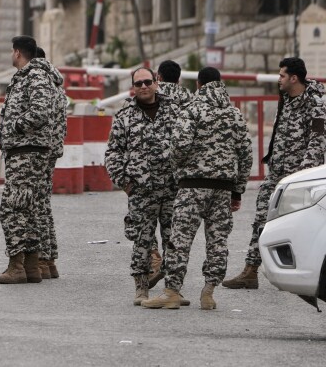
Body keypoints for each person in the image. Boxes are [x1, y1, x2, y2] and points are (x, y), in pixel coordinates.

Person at [141, 67, 252, 310]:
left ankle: (172, 291)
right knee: (217, 242)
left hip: (193, 186)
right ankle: (208, 293)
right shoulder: (234, 114)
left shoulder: (193, 109)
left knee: (180, 240)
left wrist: (179, 172)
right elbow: (245, 154)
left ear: (199, 85)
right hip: (223, 188)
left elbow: (179, 147)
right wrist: (238, 190)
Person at [223, 57, 326, 289]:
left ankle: (307, 273)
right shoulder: (286, 100)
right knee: (261, 218)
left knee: (299, 225)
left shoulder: (315, 104)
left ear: (294, 78)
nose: (278, 79)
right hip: (276, 174)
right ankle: (250, 271)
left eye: (281, 75)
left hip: (297, 178)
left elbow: (317, 143)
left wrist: (302, 175)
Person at [105, 67, 181, 304]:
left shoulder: (176, 110)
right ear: (133, 88)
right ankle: (141, 287)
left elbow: (190, 145)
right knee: (142, 240)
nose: (144, 87)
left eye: (148, 82)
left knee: (175, 240)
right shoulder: (124, 116)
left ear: (157, 83)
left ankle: (173, 289)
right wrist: (125, 182)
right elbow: (113, 153)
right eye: (138, 84)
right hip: (141, 190)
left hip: (172, 188)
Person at [0, 36, 55, 285]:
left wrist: (14, 127)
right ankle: (31, 266)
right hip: (23, 151)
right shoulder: (26, 77)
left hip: (27, 151)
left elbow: (40, 111)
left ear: (18, 53)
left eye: (12, 51)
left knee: (13, 208)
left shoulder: (34, 76)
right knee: (28, 209)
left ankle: (16, 265)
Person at [145, 59, 193, 286]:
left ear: (159, 77)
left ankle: (154, 258)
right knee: (172, 224)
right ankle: (171, 271)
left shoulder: (153, 95)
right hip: (179, 173)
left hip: (150, 171)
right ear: (179, 78)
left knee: (143, 220)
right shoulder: (190, 100)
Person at [33, 46, 66, 279]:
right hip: (51, 149)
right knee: (43, 204)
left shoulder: (38, 83)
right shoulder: (55, 84)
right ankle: (49, 258)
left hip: (38, 150)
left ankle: (43, 259)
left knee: (35, 206)